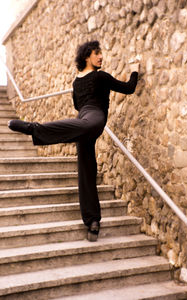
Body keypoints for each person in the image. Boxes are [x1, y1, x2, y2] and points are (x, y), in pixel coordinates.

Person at [8, 40, 139, 242]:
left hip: (94, 118)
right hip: (85, 118)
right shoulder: (77, 82)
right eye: (97, 53)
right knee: (86, 169)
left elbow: (128, 88)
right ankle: (92, 221)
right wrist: (134, 71)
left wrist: (135, 72)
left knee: (85, 127)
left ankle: (34, 128)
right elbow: (79, 106)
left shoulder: (101, 77)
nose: (101, 56)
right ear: (86, 56)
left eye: (101, 53)